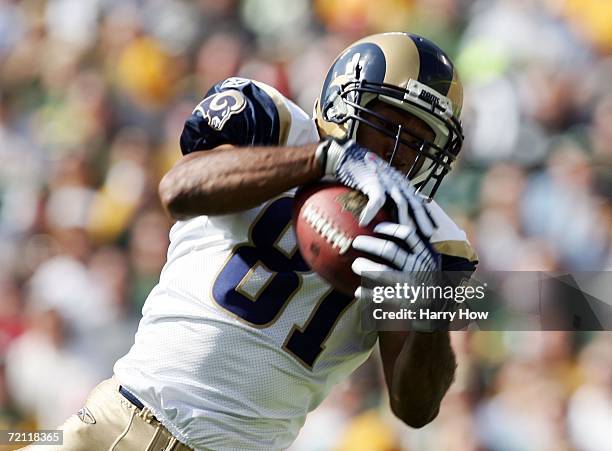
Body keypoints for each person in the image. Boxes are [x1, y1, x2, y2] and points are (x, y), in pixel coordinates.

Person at [23, 32, 478, 451]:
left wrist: (425, 310)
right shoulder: (275, 127)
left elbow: (415, 407)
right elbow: (178, 190)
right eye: (386, 124)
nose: (397, 152)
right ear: (343, 101)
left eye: (418, 142)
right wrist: (323, 160)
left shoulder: (428, 241)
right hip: (125, 420)